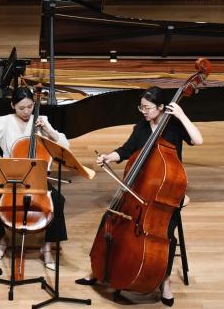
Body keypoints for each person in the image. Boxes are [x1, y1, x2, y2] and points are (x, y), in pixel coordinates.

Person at [75, 86, 203, 307]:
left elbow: (198, 140)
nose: (143, 111)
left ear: (161, 107)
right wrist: (109, 157)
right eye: (141, 107)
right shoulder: (142, 127)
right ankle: (99, 270)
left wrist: (182, 115)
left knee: (166, 236)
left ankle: (165, 282)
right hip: (139, 190)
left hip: (166, 193)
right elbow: (126, 150)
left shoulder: (173, 126)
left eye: (147, 108)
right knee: (109, 219)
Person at [0, 86, 69, 270]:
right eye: (21, 108)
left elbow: (65, 146)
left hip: (36, 176)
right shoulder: (2, 122)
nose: (27, 112)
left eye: (30, 107)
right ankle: (2, 240)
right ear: (13, 106)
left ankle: (48, 246)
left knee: (58, 201)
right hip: (12, 177)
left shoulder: (41, 121)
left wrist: (48, 130)